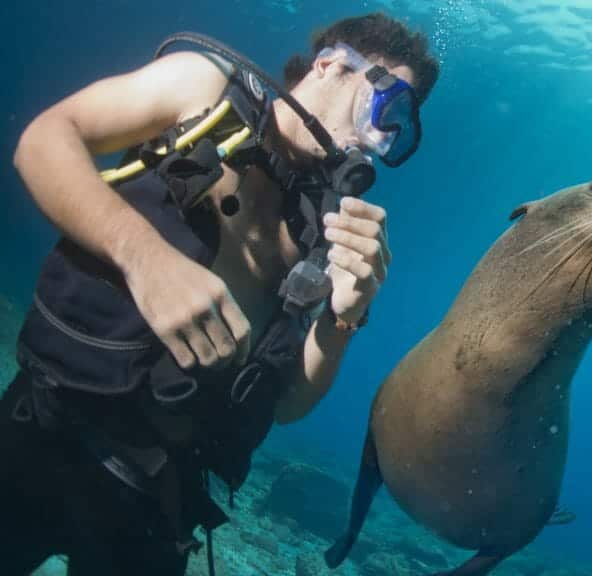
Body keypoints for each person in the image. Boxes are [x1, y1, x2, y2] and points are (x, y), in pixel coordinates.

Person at [0, 12, 439, 575]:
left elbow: (285, 405)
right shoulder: (201, 87)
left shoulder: (322, 227)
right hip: (47, 422)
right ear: (331, 63)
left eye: (398, 127)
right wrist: (146, 259)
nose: (379, 138)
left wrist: (343, 319)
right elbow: (43, 141)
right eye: (384, 106)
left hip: (163, 494)